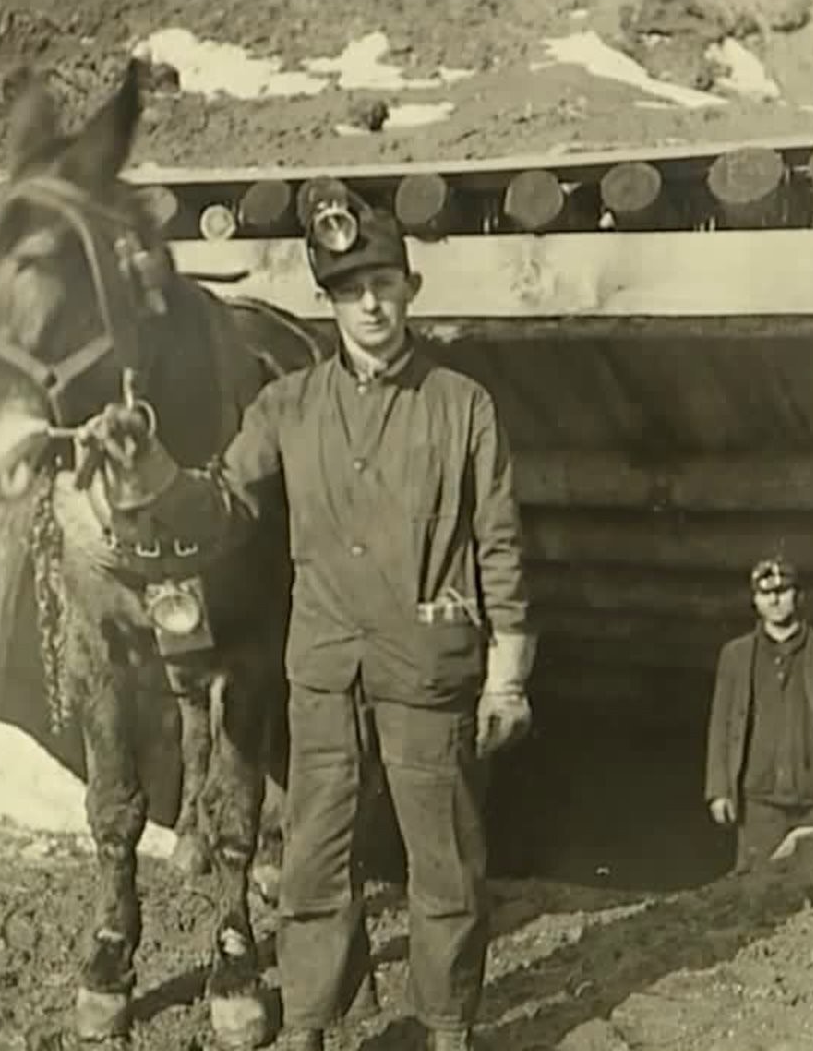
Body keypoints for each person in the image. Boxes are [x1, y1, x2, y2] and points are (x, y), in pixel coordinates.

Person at [97, 197, 536, 1051]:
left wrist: (508, 671)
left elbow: (500, 542)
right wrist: (152, 471)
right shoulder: (288, 407)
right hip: (325, 674)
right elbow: (221, 503)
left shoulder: (463, 406)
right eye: (348, 291)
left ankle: (449, 1031)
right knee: (312, 867)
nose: (369, 305)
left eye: (381, 285)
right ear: (329, 305)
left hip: (428, 669)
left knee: (443, 866)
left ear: (409, 289)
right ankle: (305, 1028)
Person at [704, 556, 813, 873]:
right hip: (758, 805)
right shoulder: (736, 656)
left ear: (799, 595)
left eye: (783, 590)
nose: (775, 600)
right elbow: (721, 726)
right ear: (755, 601)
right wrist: (718, 789)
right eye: (766, 593)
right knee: (755, 887)